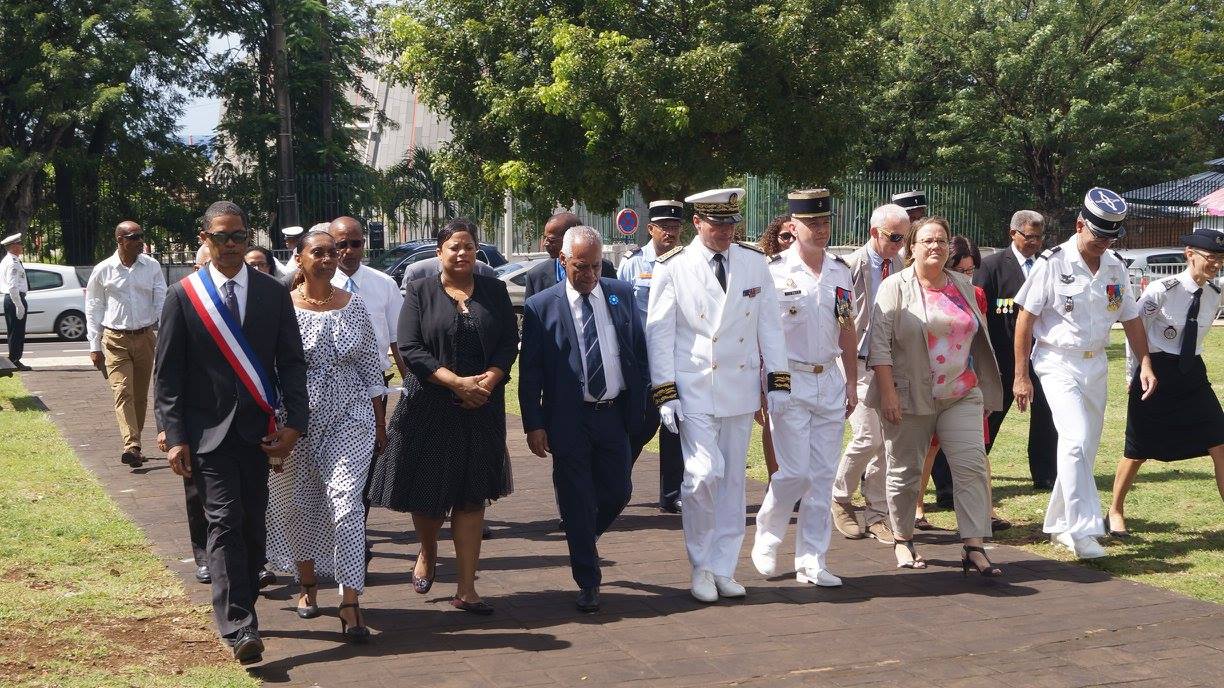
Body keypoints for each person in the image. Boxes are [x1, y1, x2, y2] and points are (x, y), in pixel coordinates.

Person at [156, 201, 309, 663]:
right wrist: (174, 433)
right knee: (223, 522)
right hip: (207, 435)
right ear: (203, 239)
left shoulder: (272, 292)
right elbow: (168, 374)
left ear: (248, 239)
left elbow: (291, 362)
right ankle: (240, 625)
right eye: (220, 236)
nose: (229, 245)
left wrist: (295, 424)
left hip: (258, 431)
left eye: (238, 236)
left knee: (251, 525)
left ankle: (243, 603)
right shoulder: (184, 295)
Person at [368, 218, 518, 615]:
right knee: (429, 496)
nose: (462, 253)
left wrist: (489, 380)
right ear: (439, 252)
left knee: (471, 497)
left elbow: (508, 342)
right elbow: (412, 348)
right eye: (454, 246)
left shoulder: (495, 290)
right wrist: (454, 382)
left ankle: (467, 588)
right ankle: (428, 551)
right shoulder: (419, 291)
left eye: (469, 246)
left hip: (482, 407)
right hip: (430, 406)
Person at [646, 187, 789, 603]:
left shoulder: (753, 262)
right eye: (717, 223)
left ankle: (723, 568)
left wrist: (777, 380)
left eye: (731, 224)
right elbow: (660, 332)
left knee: (730, 483)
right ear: (697, 223)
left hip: (739, 386)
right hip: (694, 388)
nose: (725, 231)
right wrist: (665, 391)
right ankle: (700, 564)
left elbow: (770, 326)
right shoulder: (674, 265)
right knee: (703, 474)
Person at [1013, 187, 1157, 560]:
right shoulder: (1052, 262)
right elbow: (1025, 320)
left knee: (1084, 448)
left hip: (1096, 363)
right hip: (1057, 360)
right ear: (1080, 225)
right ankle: (1084, 529)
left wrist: (1144, 361)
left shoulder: (1114, 266)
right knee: (1075, 439)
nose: (1104, 243)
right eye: (1098, 235)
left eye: (1111, 236)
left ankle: (1060, 523)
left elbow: (1130, 318)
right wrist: (1020, 375)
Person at [520, 226, 648, 612]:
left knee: (619, 491)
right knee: (576, 498)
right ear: (563, 260)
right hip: (568, 418)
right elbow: (531, 373)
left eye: (596, 266)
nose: (590, 274)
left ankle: (583, 537)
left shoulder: (620, 293)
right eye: (581, 267)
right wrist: (534, 424)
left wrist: (642, 407)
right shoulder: (542, 306)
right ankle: (588, 581)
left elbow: (637, 352)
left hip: (614, 413)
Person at [265, 230, 384, 643]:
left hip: (350, 417)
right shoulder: (282, 309)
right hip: (296, 420)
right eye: (319, 252)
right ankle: (307, 583)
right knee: (296, 504)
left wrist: (380, 423)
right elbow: (269, 371)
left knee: (347, 502)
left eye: (333, 252)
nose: (329, 258)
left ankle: (350, 600)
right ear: (299, 258)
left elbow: (372, 368)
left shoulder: (355, 307)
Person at [867, 217, 1005, 574]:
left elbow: (978, 334)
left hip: (961, 392)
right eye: (927, 241)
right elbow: (879, 348)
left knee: (972, 466)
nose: (935, 247)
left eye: (941, 241)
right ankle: (903, 539)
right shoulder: (894, 287)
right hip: (910, 394)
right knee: (905, 471)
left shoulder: (962, 285)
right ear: (911, 247)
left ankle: (974, 546)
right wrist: (888, 395)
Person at [750, 190, 857, 587]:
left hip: (827, 377)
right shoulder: (772, 271)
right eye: (812, 222)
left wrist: (850, 380)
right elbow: (759, 333)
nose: (821, 229)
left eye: (825, 222)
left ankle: (812, 559)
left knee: (823, 475)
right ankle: (769, 533)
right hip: (787, 378)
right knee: (794, 472)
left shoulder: (839, 271)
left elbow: (846, 327)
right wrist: (763, 386)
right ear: (792, 227)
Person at [1108, 227, 1224, 536]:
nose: (1216, 265)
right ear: (1190, 255)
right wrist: (1133, 374)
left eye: (1221, 260)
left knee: (1220, 440)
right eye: (1211, 258)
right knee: (1137, 448)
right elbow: (1136, 332)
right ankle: (1115, 509)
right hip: (1155, 371)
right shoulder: (1161, 290)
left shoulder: (1215, 294)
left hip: (1192, 374)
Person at [914, 236, 1009, 532]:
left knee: (976, 450)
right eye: (962, 269)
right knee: (928, 450)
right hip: (931, 381)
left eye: (972, 271)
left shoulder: (976, 294)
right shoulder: (922, 290)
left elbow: (982, 342)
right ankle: (917, 507)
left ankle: (986, 512)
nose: (967, 276)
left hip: (966, 382)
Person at [327, 216, 405, 559]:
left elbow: (399, 341)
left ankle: (354, 534)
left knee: (365, 460)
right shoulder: (313, 283)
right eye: (339, 244)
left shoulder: (383, 284)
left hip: (372, 388)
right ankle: (330, 534)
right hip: (323, 389)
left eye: (354, 243)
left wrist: (411, 386)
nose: (347, 251)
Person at [831, 204, 906, 542]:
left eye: (904, 237)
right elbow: (840, 319)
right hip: (857, 363)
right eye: (894, 237)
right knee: (867, 437)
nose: (900, 243)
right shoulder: (847, 267)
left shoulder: (903, 265)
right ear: (875, 232)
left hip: (889, 364)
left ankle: (877, 513)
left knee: (888, 443)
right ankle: (841, 497)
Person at [974, 211, 1058, 492]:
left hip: (1043, 356)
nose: (1035, 242)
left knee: (1046, 418)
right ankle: (970, 470)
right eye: (1029, 236)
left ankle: (1046, 475)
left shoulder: (1048, 265)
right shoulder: (992, 266)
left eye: (1039, 237)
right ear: (1013, 234)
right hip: (1003, 359)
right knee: (991, 415)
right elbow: (979, 311)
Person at [617, 200, 685, 513]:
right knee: (640, 425)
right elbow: (620, 310)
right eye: (664, 227)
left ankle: (672, 495)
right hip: (642, 358)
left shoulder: (687, 262)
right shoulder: (633, 262)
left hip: (676, 356)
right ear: (651, 229)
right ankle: (615, 488)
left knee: (676, 427)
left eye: (675, 227)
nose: (670, 232)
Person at [85, 221, 167, 468]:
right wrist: (94, 345)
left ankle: (136, 442)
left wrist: (165, 333)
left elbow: (161, 300)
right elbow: (93, 306)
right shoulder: (103, 269)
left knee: (140, 396)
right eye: (134, 237)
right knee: (123, 391)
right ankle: (131, 445)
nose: (140, 241)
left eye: (141, 236)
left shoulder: (151, 266)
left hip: (144, 337)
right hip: (114, 339)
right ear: (120, 240)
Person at [754, 213, 797, 480]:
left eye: (794, 236)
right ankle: (774, 479)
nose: (790, 241)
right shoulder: (766, 270)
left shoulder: (820, 269)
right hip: (770, 361)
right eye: (784, 236)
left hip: (803, 362)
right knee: (772, 423)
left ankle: (796, 482)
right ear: (774, 239)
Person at [523, 211, 616, 299]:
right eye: (545, 238)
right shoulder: (536, 276)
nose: (545, 243)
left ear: (570, 238)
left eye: (551, 240)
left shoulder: (606, 269)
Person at [1, 233, 29, 370]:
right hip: (14, 298)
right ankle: (14, 360)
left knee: (15, 330)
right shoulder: (12, 263)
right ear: (13, 246)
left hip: (13, 298)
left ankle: (15, 359)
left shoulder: (12, 260)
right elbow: (12, 287)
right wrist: (19, 305)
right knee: (17, 331)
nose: (22, 246)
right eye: (19, 244)